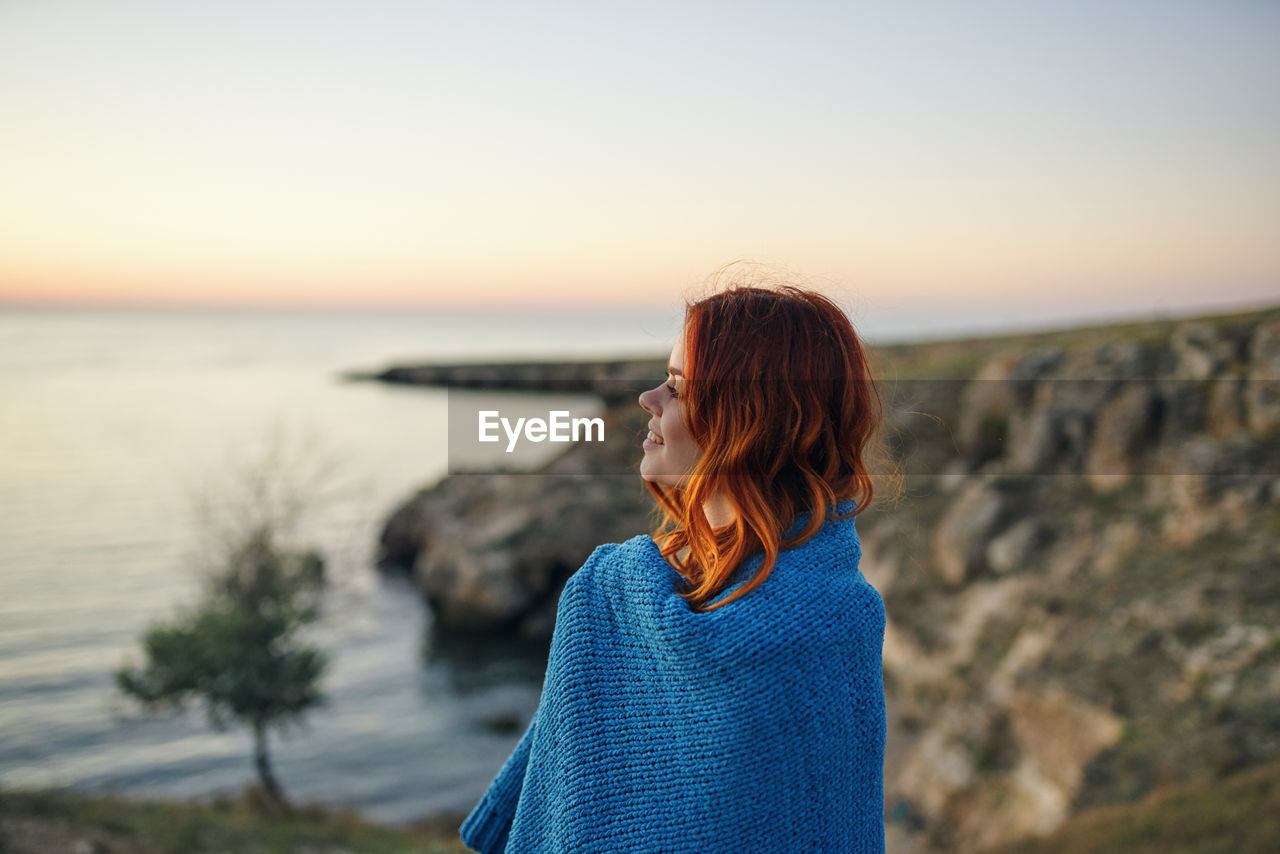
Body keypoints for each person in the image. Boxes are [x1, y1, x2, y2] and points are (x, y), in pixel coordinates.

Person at [461, 282, 890, 853]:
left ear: (752, 417)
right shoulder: (615, 593)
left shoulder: (835, 619)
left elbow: (826, 821)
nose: (649, 398)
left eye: (680, 387)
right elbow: (567, 764)